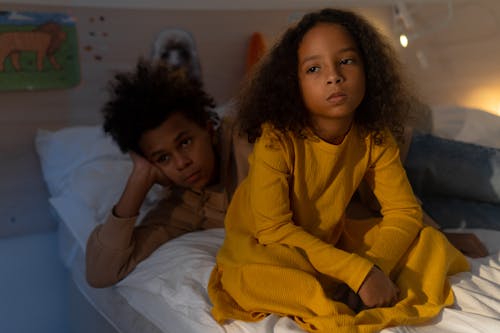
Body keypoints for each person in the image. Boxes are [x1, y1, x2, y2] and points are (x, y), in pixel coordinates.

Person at [207, 8, 470, 333]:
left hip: (330, 242)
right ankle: (340, 301)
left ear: (368, 68)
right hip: (270, 246)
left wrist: (373, 267)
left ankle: (355, 288)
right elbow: (274, 230)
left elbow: (403, 212)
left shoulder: (374, 134)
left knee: (428, 241)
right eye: (314, 68)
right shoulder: (276, 139)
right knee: (262, 277)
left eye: (346, 61)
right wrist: (357, 272)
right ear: (293, 83)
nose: (334, 76)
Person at [85, 59, 252, 288]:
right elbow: (100, 273)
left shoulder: (249, 141)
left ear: (207, 127)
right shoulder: (181, 207)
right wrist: (139, 179)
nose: (182, 163)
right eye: (163, 158)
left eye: (185, 142)